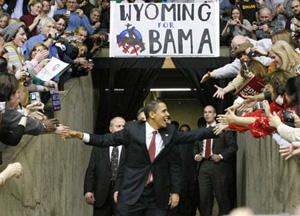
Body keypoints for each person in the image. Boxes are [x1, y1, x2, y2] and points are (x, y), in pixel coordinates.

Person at [64, 100, 216, 216]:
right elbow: (105, 140)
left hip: (157, 195)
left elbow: (193, 135)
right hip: (133, 193)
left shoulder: (170, 131)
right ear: (152, 115)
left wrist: (223, 126)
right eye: (164, 111)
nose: (168, 114)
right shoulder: (132, 130)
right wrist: (79, 135)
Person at [194, 105, 237, 216]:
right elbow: (195, 147)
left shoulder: (223, 129)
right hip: (203, 166)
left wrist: (221, 156)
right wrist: (196, 155)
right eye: (205, 112)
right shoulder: (200, 131)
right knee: (204, 199)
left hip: (219, 166)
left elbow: (233, 147)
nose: (207, 114)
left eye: (210, 112)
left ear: (214, 114)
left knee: (222, 198)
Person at [84, 117, 126, 216]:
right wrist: (88, 190)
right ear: (111, 129)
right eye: (118, 126)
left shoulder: (130, 147)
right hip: (101, 194)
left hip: (122, 194)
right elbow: (91, 169)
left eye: (124, 126)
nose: (121, 129)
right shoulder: (99, 147)